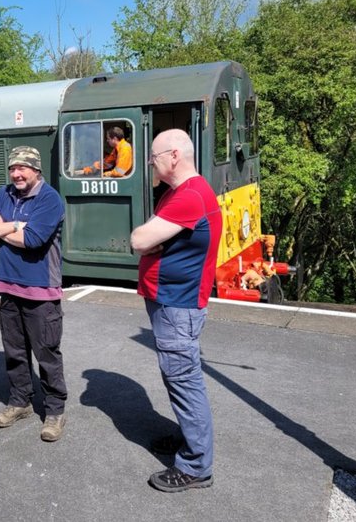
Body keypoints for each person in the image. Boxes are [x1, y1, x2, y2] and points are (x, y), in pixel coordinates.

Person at [130, 129, 222, 492]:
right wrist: (157, 246)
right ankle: (190, 440)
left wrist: (151, 245)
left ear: (172, 156)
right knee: (179, 377)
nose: (150, 163)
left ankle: (197, 466)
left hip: (177, 305)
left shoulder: (189, 196)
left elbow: (140, 240)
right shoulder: (181, 193)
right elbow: (159, 241)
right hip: (173, 301)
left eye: (153, 157)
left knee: (184, 381)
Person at [0, 146, 68, 442]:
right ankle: (21, 402)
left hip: (40, 290)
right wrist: (15, 225)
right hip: (8, 286)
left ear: (36, 169)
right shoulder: (5, 193)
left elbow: (33, 239)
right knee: (14, 351)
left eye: (22, 168)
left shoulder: (49, 199)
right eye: (12, 168)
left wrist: (1, 227)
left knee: (46, 353)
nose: (16, 173)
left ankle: (55, 410)